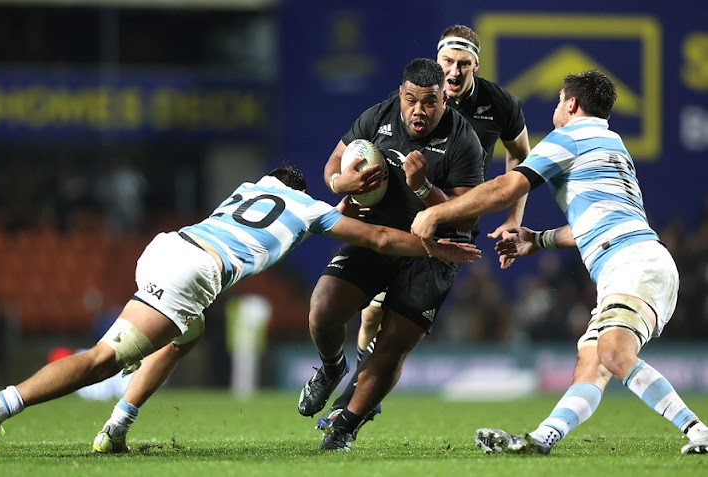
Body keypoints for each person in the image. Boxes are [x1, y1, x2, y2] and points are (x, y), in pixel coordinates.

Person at [0, 165, 480, 459]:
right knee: (104, 359)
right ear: (301, 190)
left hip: (168, 247)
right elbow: (380, 239)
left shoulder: (249, 188)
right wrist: (437, 248)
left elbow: (290, 208)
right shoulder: (305, 207)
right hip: (195, 271)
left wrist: (334, 199)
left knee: (188, 334)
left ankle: (116, 428)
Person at [410, 70, 708, 455]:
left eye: (558, 100)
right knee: (592, 363)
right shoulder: (612, 142)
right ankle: (542, 438)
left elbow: (506, 188)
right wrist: (538, 239)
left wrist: (439, 213)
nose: (556, 106)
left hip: (632, 263)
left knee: (614, 354)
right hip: (640, 260)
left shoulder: (569, 137)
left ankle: (698, 430)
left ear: (571, 103)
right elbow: (595, 222)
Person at [317, 24, 531, 433]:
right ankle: (354, 391)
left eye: (463, 64)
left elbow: (521, 160)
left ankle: (352, 405)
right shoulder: (399, 108)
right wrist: (348, 189)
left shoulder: (497, 106)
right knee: (368, 315)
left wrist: (512, 220)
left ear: (476, 66)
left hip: (451, 218)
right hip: (398, 221)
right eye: (447, 62)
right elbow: (350, 157)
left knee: (393, 328)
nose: (454, 71)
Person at [298, 58, 486, 450]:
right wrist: (339, 181)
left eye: (430, 103)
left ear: (443, 102)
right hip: (376, 236)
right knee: (322, 308)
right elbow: (337, 159)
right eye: (412, 100)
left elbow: (466, 215)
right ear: (401, 95)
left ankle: (345, 427)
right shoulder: (378, 116)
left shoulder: (463, 140)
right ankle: (333, 368)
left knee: (393, 343)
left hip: (433, 253)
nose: (419, 111)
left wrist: (421, 189)